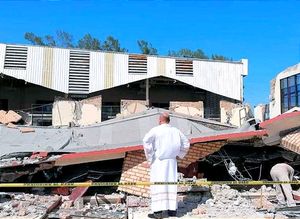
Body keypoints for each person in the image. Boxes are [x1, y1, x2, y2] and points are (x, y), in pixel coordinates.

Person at [143, 112, 190, 219]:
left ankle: (158, 213)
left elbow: (146, 141)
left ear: (160, 120)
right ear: (169, 120)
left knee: (158, 185)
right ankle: (172, 211)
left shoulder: (156, 130)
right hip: (171, 162)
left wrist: (150, 157)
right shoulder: (176, 130)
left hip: (158, 162)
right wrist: (179, 154)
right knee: (171, 185)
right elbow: (186, 143)